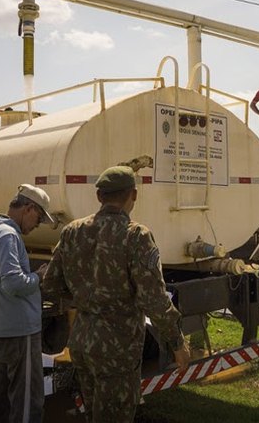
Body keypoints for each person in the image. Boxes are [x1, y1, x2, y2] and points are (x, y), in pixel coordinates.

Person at [43, 166, 191, 423]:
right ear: (133, 195)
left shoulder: (72, 232)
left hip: (82, 343)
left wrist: (85, 298)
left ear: (99, 196)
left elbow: (52, 285)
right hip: (118, 350)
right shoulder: (136, 236)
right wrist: (177, 342)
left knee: (93, 415)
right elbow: (153, 299)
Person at [0, 183, 55, 423]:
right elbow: (13, 284)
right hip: (19, 332)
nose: (37, 225)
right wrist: (38, 276)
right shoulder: (8, 236)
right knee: (28, 403)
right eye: (38, 218)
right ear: (28, 208)